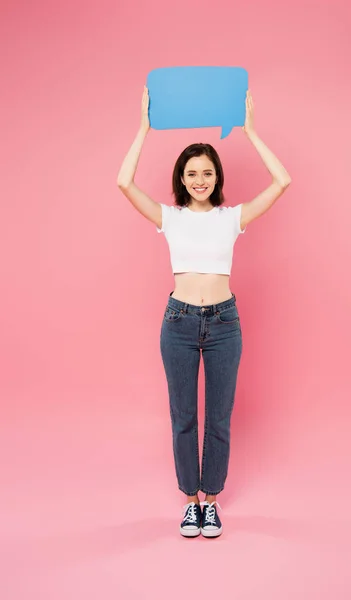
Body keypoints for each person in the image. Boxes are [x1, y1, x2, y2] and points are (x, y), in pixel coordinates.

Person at [117, 86, 291, 538]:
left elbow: (283, 182)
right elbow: (122, 182)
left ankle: (210, 502)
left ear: (217, 177)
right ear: (182, 176)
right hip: (177, 322)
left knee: (218, 416)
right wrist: (142, 128)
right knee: (183, 417)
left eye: (207, 172)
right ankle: (189, 501)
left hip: (223, 323)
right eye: (192, 172)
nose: (200, 180)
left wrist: (251, 131)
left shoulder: (231, 218)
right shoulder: (169, 217)